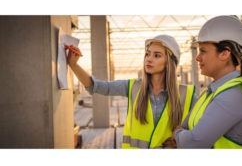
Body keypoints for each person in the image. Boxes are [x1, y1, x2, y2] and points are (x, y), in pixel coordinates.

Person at [65, 34, 196, 148]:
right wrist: (74, 65)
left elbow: (202, 132)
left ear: (169, 63)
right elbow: (97, 86)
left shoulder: (188, 94)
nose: (149, 59)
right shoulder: (133, 87)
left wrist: (183, 139)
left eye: (157, 55)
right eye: (147, 54)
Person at [163, 15, 242, 148]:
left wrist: (177, 134)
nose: (197, 57)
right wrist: (183, 134)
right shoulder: (212, 92)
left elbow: (194, 142)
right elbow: (186, 126)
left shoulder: (233, 96)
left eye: (203, 51)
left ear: (225, 54)